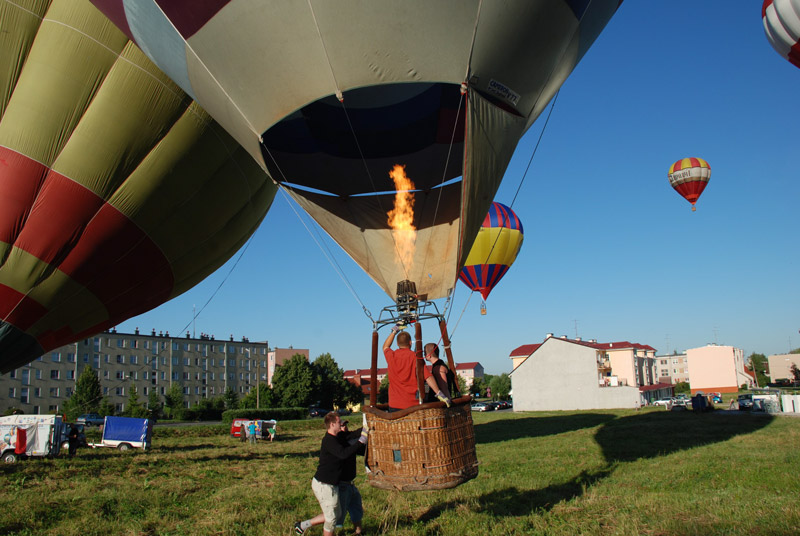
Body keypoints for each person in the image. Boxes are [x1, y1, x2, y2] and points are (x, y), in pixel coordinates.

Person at [295, 412, 367, 536]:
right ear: (332, 424)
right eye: (339, 422)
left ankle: (302, 526)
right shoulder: (329, 440)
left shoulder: (339, 437)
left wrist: (368, 426)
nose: (341, 424)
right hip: (324, 485)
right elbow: (343, 454)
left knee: (335, 514)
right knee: (332, 518)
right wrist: (361, 442)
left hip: (331, 484)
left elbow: (354, 434)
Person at [335, 420, 365, 535]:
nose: (345, 428)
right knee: (337, 515)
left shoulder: (348, 440)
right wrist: (367, 426)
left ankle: (358, 531)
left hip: (350, 483)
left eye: (346, 425)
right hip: (342, 484)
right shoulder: (339, 441)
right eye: (342, 426)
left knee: (356, 508)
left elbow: (360, 447)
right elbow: (353, 435)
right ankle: (305, 524)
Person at [383, 324, 420, 410]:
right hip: (412, 404)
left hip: (394, 405)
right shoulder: (415, 357)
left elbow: (385, 346)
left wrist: (394, 331)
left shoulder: (392, 356)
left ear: (397, 343)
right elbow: (427, 376)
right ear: (410, 343)